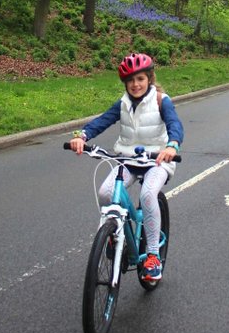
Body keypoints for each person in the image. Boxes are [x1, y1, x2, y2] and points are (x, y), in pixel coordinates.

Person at [68, 53, 184, 282]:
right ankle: (115, 234)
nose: (135, 85)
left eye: (140, 79)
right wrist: (81, 136)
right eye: (130, 81)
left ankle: (152, 256)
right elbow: (102, 121)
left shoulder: (162, 100)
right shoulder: (122, 103)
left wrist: (172, 145)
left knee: (148, 194)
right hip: (127, 160)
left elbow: (175, 124)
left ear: (149, 78)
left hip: (157, 160)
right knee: (105, 192)